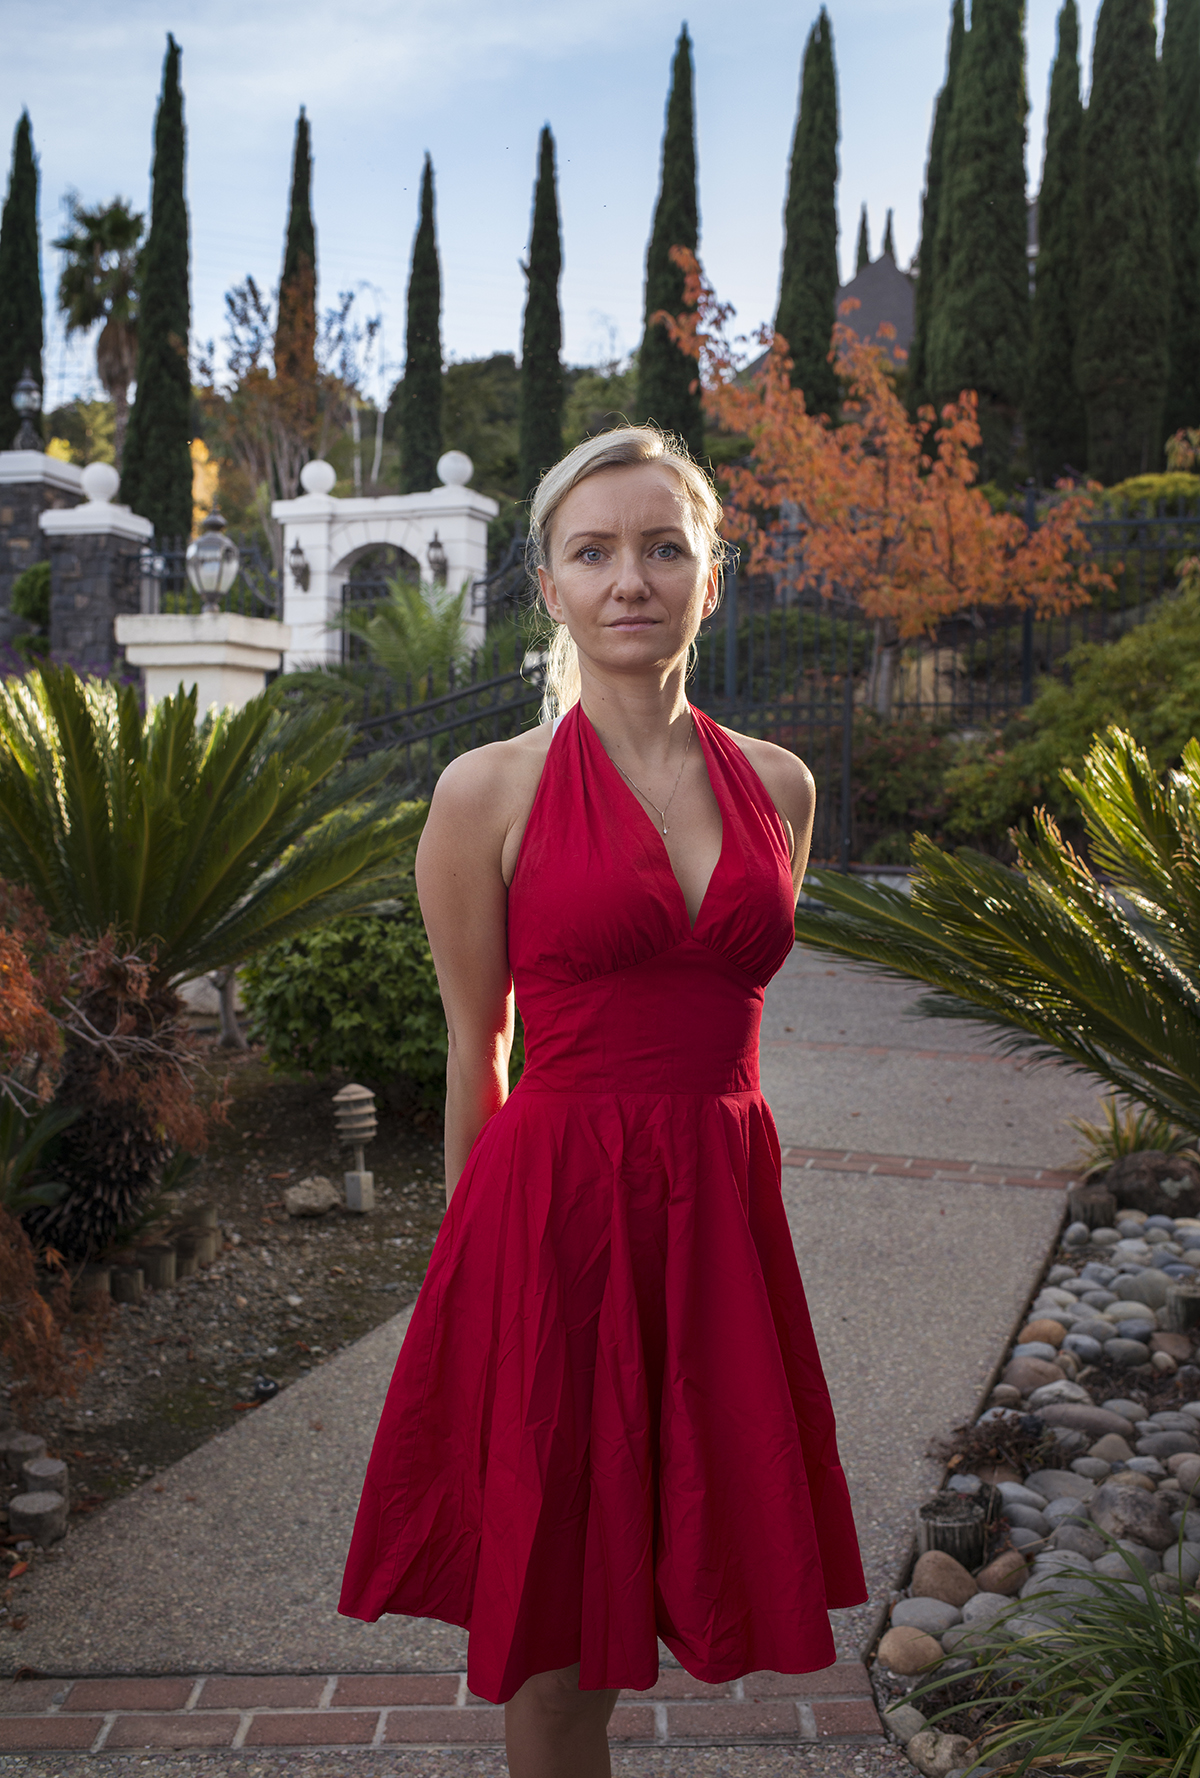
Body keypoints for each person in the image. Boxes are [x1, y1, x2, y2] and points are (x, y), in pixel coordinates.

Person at [340, 426, 866, 1778]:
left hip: (720, 1216)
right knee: (561, 1616)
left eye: (662, 545)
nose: (629, 577)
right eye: (594, 551)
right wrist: (477, 1280)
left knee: (688, 1550)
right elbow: (477, 1046)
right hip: (554, 1221)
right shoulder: (484, 794)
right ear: (552, 586)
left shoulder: (783, 788)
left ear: (711, 576)